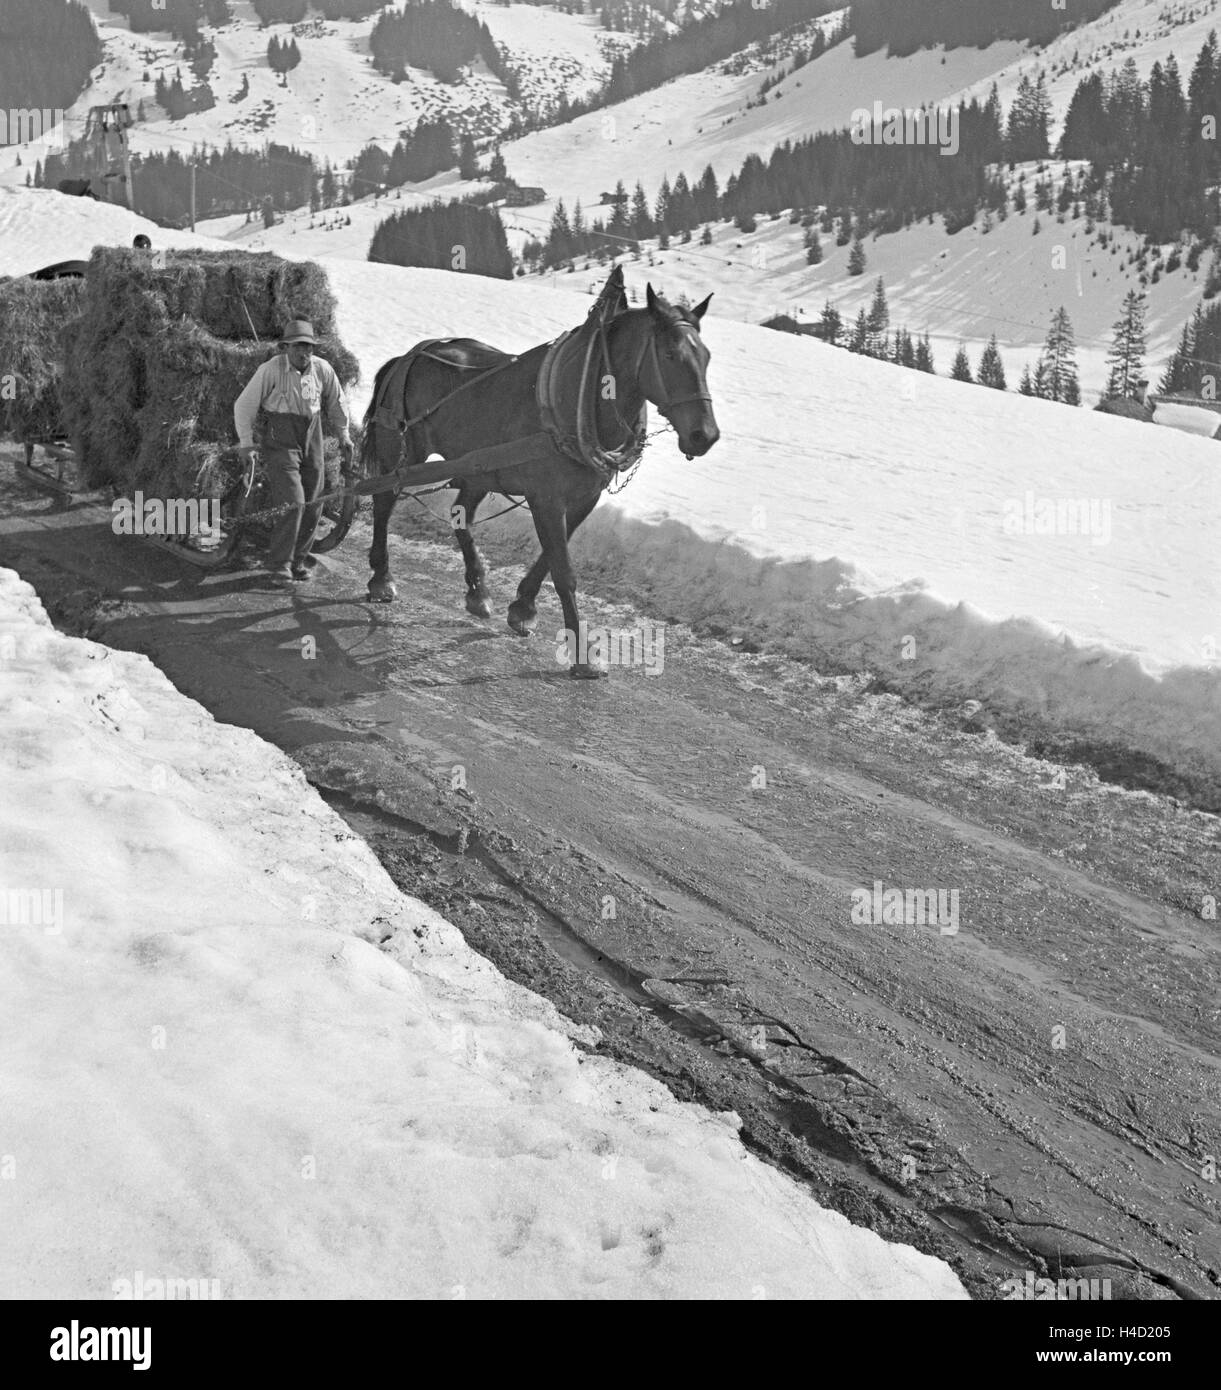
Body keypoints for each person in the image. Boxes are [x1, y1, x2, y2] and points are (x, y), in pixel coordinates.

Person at [233, 320, 355, 586]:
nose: (304, 352)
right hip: (280, 439)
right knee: (294, 501)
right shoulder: (271, 370)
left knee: (314, 502)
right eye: (298, 346)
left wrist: (344, 434)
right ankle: (279, 565)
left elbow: (337, 403)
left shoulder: (322, 369)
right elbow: (243, 406)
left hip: (313, 435)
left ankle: (298, 559)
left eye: (308, 346)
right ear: (286, 347)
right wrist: (246, 443)